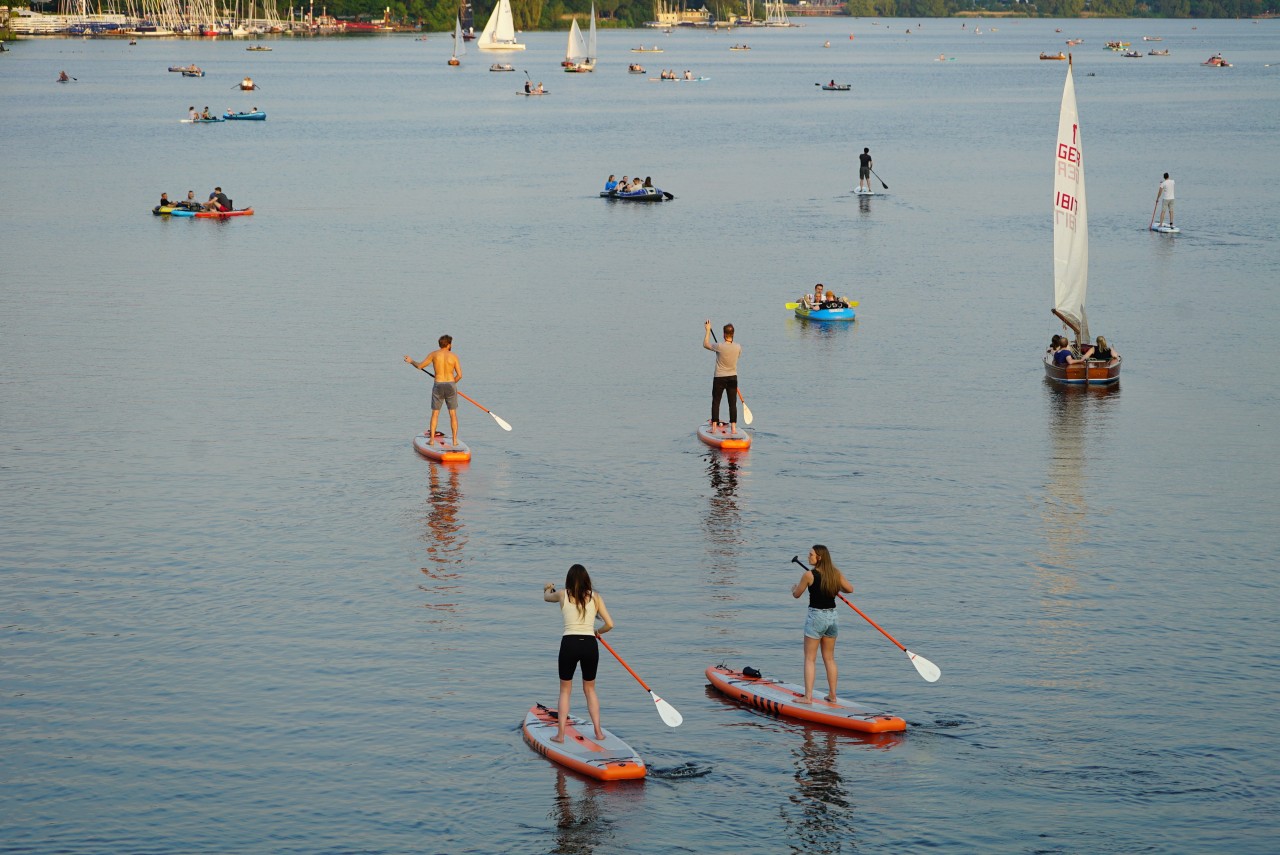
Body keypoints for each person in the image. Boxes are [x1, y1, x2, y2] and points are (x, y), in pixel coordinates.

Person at [543, 564, 614, 743]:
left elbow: (546, 598)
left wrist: (547, 587)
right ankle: (598, 732)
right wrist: (597, 632)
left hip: (569, 644)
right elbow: (610, 624)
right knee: (590, 690)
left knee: (565, 691)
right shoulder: (596, 597)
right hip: (590, 645)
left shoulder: (562, 594)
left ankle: (560, 735)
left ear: (569, 580)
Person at [791, 545, 854, 704]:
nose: (808, 557)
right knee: (829, 658)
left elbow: (797, 594)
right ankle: (832, 695)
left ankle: (808, 697)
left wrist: (793, 589)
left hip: (816, 617)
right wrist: (835, 584)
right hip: (832, 617)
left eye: (811, 554)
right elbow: (849, 589)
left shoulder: (808, 575)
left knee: (810, 659)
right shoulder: (835, 573)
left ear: (819, 557)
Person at [404, 334, 463, 447]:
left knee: (435, 414)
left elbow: (420, 366)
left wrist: (411, 361)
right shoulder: (454, 356)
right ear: (449, 344)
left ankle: (431, 440)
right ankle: (455, 441)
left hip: (438, 385)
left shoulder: (434, 354)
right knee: (453, 414)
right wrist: (451, 385)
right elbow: (460, 375)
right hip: (451, 385)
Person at [703, 320, 741, 434]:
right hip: (733, 378)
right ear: (733, 334)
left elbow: (705, 344)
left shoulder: (719, 346)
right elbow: (736, 356)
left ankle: (714, 428)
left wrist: (708, 330)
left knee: (716, 402)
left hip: (719, 378)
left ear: (724, 334)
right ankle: (733, 429)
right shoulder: (738, 347)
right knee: (732, 403)